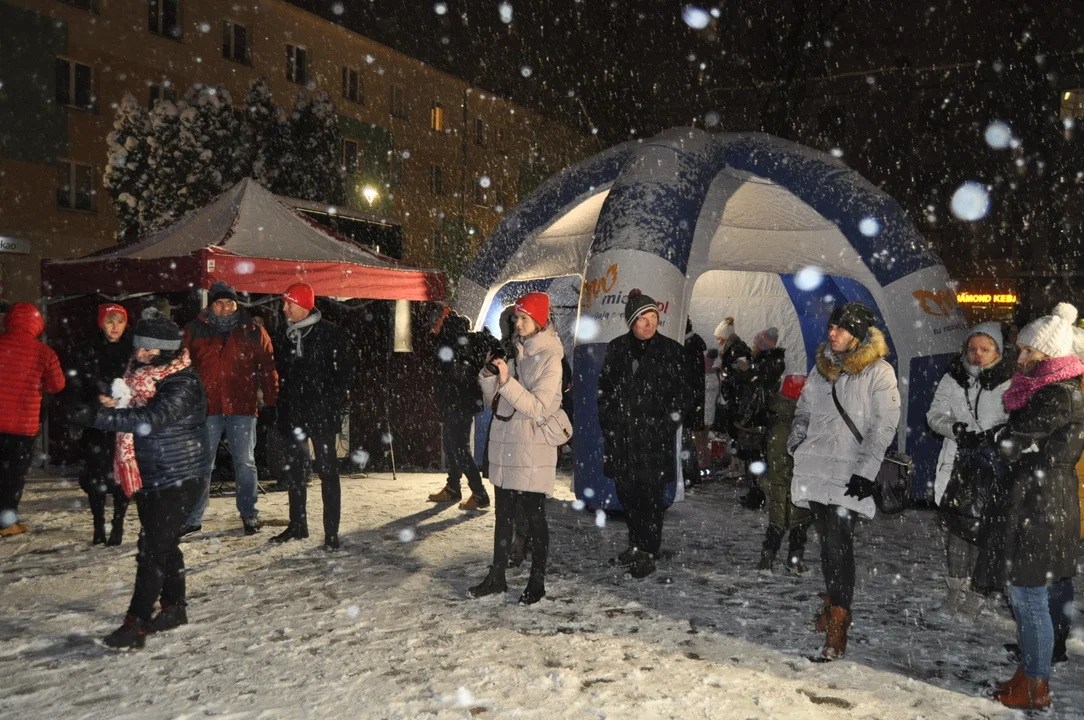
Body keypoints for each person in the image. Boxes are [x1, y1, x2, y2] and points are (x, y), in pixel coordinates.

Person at [974, 302, 1083, 711]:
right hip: (1038, 501)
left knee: (1028, 597)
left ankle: (1036, 686)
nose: (1019, 358)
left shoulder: (1056, 396)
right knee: (1026, 595)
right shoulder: (1050, 392)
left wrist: (1003, 440)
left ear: (1049, 356)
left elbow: (1011, 442)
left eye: (1027, 352)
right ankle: (1029, 672)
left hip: (1039, 506)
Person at [78, 308, 208, 650]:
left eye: (149, 350)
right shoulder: (140, 374)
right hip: (151, 472)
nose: (140, 354)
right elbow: (133, 405)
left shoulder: (184, 381)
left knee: (151, 549)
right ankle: (175, 608)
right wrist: (112, 404)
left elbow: (152, 417)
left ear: (166, 349)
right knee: (163, 543)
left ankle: (135, 625)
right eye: (139, 348)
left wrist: (101, 417)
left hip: (179, 475)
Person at [788, 302, 900, 659]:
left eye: (839, 328)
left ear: (857, 333)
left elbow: (883, 426)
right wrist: (797, 438)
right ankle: (833, 605)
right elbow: (804, 409)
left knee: (838, 546)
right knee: (826, 544)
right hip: (816, 468)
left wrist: (866, 472)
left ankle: (838, 624)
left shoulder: (879, 372)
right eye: (831, 327)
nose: (831, 333)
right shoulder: (821, 369)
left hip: (850, 474)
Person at [469, 292, 563, 604]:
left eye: (523, 318)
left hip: (533, 448)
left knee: (535, 517)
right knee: (503, 514)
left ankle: (537, 580)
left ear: (538, 320)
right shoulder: (514, 351)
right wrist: (488, 377)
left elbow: (537, 407)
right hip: (506, 445)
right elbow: (496, 402)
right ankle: (497, 576)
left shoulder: (551, 358)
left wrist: (507, 381)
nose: (517, 323)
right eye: (516, 318)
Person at [597, 289, 689, 579]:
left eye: (653, 318)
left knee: (650, 499)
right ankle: (635, 545)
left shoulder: (672, 351)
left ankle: (648, 551)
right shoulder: (617, 348)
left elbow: (682, 398)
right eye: (642, 319)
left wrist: (663, 426)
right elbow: (605, 392)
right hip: (623, 440)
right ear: (630, 322)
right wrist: (612, 423)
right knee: (629, 496)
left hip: (653, 441)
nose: (649, 325)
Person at [926, 323, 1013, 619]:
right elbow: (934, 415)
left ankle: (977, 594)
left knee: (983, 532)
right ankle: (954, 592)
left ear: (997, 351)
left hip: (993, 468)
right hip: (957, 466)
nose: (977, 355)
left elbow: (1017, 422)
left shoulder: (1010, 382)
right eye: (972, 348)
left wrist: (996, 435)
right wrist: (955, 429)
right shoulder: (953, 378)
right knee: (957, 531)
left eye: (985, 349)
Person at [180, 281, 278, 537]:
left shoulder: (253, 331)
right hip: (207, 408)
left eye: (229, 303)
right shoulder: (194, 330)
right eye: (219, 303)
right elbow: (181, 368)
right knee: (202, 464)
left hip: (242, 408)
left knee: (245, 463)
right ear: (211, 304)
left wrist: (270, 400)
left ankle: (249, 513)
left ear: (236, 304)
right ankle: (193, 517)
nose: (224, 308)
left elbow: (267, 367)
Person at [270, 282, 353, 550]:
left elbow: (343, 375)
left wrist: (330, 402)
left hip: (322, 415)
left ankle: (331, 532)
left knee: (328, 473)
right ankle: (298, 525)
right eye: (283, 303)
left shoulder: (331, 334)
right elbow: (282, 371)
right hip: (294, 414)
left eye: (288, 303)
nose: (284, 308)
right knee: (295, 472)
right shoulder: (283, 334)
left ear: (304, 305)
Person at [67, 303, 134, 545]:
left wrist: (125, 397)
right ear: (101, 322)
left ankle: (117, 526)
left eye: (120, 321)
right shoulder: (87, 350)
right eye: (110, 321)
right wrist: (96, 399)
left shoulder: (133, 350)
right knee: (96, 477)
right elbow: (75, 384)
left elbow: (142, 383)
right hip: (96, 423)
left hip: (125, 422)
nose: (115, 326)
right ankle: (98, 528)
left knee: (121, 476)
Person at [0, 302, 66, 537]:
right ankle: (6, 522)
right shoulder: (44, 352)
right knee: (13, 474)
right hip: (22, 425)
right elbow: (57, 385)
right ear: (37, 325)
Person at [427, 310, 490, 510]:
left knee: (460, 448)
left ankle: (479, 493)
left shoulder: (451, 343)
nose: (433, 328)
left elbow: (450, 375)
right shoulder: (458, 340)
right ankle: (453, 487)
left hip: (458, 404)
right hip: (459, 403)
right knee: (451, 445)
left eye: (435, 323)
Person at [758, 373, 811, 574]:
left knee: (800, 526)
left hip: (797, 484)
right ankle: (767, 559)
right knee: (779, 525)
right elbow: (778, 461)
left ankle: (794, 560)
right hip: (787, 486)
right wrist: (788, 480)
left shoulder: (795, 421)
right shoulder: (784, 426)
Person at [735, 327, 782, 510]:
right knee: (752, 457)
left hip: (759, 416)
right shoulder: (765, 361)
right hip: (756, 415)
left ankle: (757, 497)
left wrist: (747, 372)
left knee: (756, 457)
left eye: (756, 343)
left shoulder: (772, 363)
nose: (753, 346)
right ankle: (754, 494)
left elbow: (760, 386)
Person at [711, 316, 752, 440]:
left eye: (718, 336)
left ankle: (735, 446)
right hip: (735, 392)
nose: (717, 339)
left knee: (734, 422)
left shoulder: (736, 349)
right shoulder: (733, 348)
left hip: (737, 393)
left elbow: (740, 372)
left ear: (725, 335)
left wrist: (724, 372)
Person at [682, 317, 708, 486]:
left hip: (687, 401)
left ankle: (689, 473)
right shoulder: (695, 344)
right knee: (687, 438)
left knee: (685, 439)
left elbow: (686, 376)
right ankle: (691, 473)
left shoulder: (687, 347)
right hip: (693, 400)